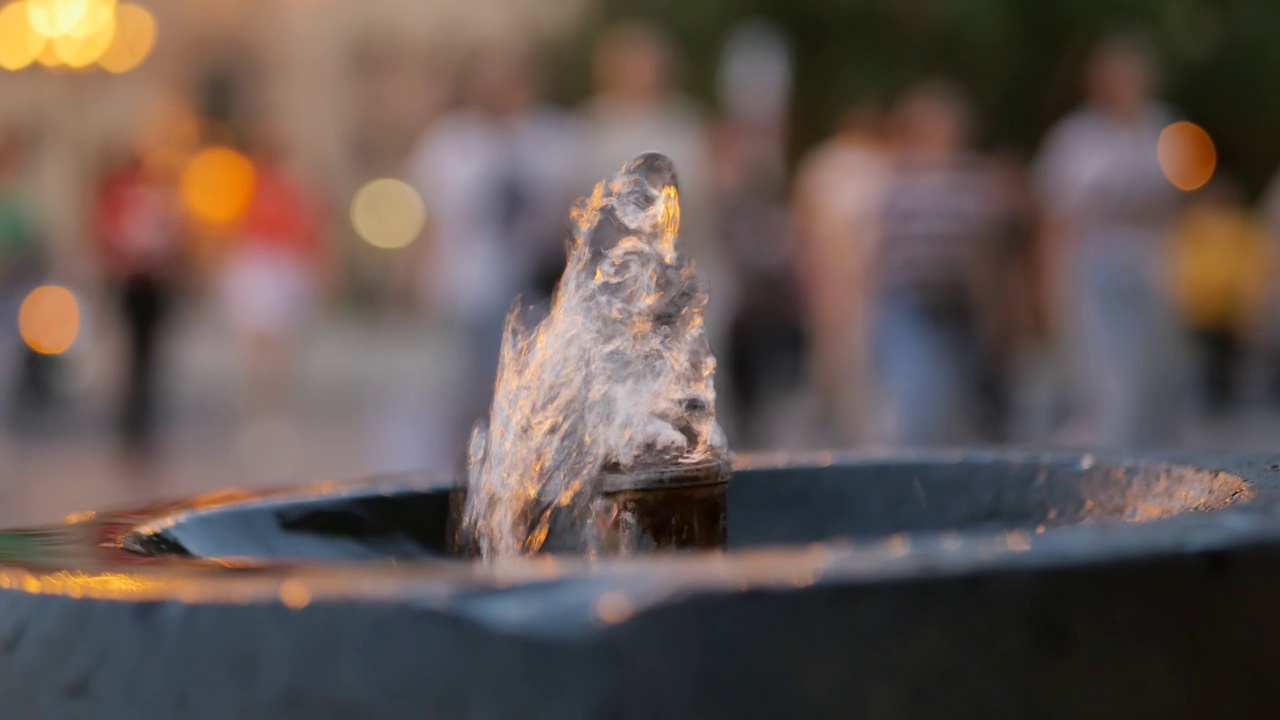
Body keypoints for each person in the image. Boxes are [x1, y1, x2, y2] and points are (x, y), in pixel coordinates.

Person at [404, 40, 578, 463]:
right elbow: (434, 218)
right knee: (479, 386)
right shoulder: (451, 141)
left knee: (535, 386)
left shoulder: (551, 137)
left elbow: (569, 211)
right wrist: (421, 273)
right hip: (473, 282)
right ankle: (478, 467)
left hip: (536, 282)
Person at [1033, 35, 1184, 447]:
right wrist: (1049, 288)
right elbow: (1057, 221)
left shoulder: (1165, 127)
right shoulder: (1075, 139)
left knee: (1156, 384)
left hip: (1153, 270)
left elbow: (1178, 206)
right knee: (1107, 388)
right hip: (1094, 273)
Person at [576, 22, 736, 383]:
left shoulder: (686, 124)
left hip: (684, 273)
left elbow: (709, 194)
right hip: (618, 286)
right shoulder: (593, 128)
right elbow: (578, 207)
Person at [869, 81, 1007, 446]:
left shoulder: (975, 182)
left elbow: (984, 255)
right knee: (915, 404)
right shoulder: (896, 181)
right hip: (911, 303)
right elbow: (877, 252)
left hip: (958, 309)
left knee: (954, 408)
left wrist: (993, 311)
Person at [792, 101, 889, 445]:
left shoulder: (871, 163)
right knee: (845, 358)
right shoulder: (869, 165)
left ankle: (849, 428)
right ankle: (845, 429)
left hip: (853, 274)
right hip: (841, 273)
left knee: (851, 357)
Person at [217, 141, 329, 426]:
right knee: (259, 350)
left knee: (278, 350)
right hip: (259, 266)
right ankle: (259, 407)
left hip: (280, 267)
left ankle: (272, 409)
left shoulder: (293, 191)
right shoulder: (247, 189)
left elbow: (307, 231)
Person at [96, 150, 184, 456]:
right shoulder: (128, 199)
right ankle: (133, 420)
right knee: (137, 355)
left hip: (147, 283)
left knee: (144, 355)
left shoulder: (152, 201)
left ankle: (139, 419)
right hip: (135, 282)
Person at [1171, 177, 1270, 415]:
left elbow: (1253, 264)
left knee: (1230, 367)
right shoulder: (1195, 225)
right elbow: (1179, 262)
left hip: (1231, 310)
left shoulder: (1241, 225)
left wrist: (1252, 302)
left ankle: (1226, 414)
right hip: (1201, 310)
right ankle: (1207, 413)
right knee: (1204, 367)